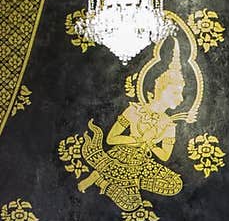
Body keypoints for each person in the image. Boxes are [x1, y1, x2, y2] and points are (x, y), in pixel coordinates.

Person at [77, 46, 187, 211]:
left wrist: (149, 143)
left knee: (174, 185)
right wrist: (136, 139)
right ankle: (105, 174)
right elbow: (111, 139)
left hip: (142, 163)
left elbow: (165, 156)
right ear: (161, 89)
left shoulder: (169, 125)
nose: (181, 98)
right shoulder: (134, 110)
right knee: (131, 203)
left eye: (181, 93)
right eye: (175, 92)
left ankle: (104, 177)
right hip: (121, 155)